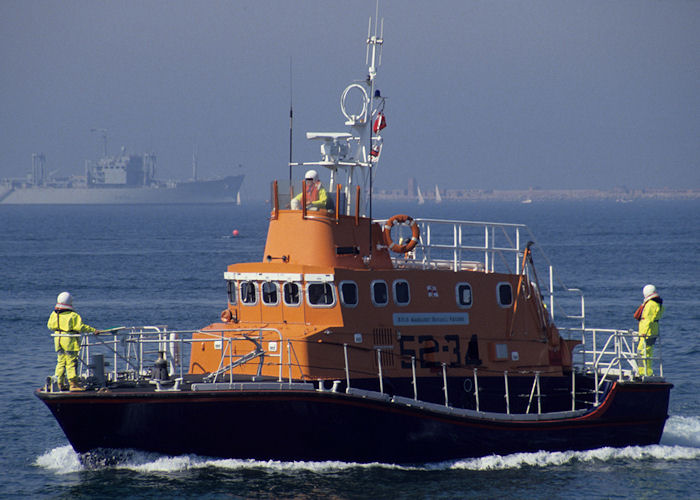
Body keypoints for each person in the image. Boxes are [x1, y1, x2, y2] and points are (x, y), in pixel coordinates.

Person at [47, 291, 99, 391]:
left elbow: (49, 326)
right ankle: (73, 384)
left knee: (61, 361)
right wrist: (93, 330)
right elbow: (80, 327)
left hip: (58, 339)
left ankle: (59, 382)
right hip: (69, 340)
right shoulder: (73, 315)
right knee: (71, 362)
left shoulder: (54, 314)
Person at [634, 284, 664, 376]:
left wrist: (644, 333)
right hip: (652, 332)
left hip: (647, 333)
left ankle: (643, 373)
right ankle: (648, 372)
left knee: (641, 353)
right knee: (648, 353)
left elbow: (648, 320)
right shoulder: (656, 303)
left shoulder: (650, 305)